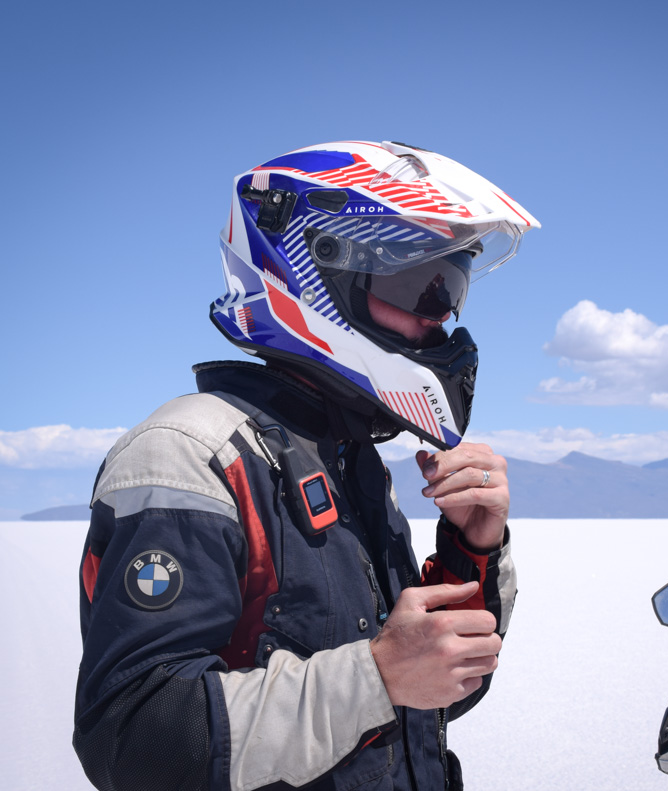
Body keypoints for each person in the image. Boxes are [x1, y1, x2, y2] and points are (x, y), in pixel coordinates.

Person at [73, 140, 539, 791]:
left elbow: (431, 694)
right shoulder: (192, 450)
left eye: (450, 291)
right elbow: (131, 738)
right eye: (422, 288)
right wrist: (374, 675)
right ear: (317, 277)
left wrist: (473, 549)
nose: (442, 322)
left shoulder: (350, 462)